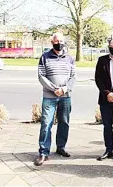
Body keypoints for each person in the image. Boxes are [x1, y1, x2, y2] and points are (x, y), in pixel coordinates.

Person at [34, 32, 77, 166]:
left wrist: (63, 89)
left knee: (64, 122)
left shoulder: (70, 58)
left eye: (61, 41)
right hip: (49, 96)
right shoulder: (44, 57)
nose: (59, 43)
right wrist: (54, 89)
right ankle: (43, 152)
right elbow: (41, 76)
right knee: (46, 123)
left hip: (65, 96)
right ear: (52, 43)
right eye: (56, 41)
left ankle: (61, 147)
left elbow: (73, 77)